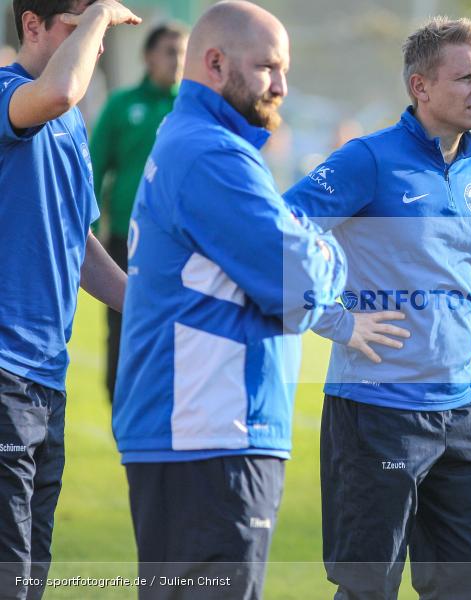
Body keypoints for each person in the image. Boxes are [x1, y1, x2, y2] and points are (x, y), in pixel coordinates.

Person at [284, 16, 471, 600]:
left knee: (464, 590)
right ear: (420, 87)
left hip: (461, 416)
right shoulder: (367, 159)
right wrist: (336, 321)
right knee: (368, 591)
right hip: (376, 417)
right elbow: (280, 233)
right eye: (466, 77)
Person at [110, 2, 346, 599]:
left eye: (284, 69)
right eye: (268, 67)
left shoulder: (196, 141)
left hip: (201, 434)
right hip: (212, 435)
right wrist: (329, 250)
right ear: (214, 64)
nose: (281, 86)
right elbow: (301, 286)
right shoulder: (211, 153)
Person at [0, 1, 140, 598]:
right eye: (81, 27)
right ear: (32, 25)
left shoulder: (71, 120)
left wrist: (148, 307)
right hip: (4, 374)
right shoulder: (11, 93)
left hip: (46, 379)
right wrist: (103, 11)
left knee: (32, 572)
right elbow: (57, 92)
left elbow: (76, 243)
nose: (97, 42)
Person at [90, 22, 187, 403]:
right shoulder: (121, 105)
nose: (178, 60)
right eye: (170, 52)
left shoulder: (189, 110)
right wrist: (89, 230)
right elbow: (95, 168)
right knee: (122, 324)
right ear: (148, 57)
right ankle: (119, 405)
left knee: (176, 327)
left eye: (183, 52)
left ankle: (166, 407)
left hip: (177, 245)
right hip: (124, 240)